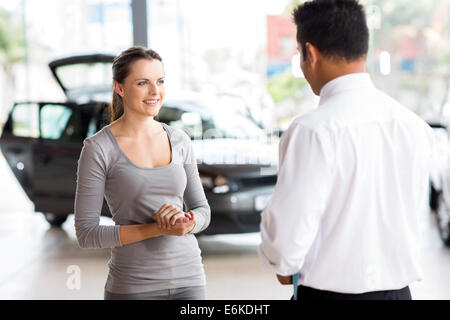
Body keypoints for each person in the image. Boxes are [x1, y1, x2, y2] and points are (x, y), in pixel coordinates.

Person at [258, 0, 436, 300]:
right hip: (399, 293)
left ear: (310, 54)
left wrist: (282, 262)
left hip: (330, 295)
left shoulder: (312, 130)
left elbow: (286, 242)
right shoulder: (413, 125)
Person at [74, 46, 211, 300]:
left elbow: (203, 210)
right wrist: (158, 228)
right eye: (142, 83)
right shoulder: (98, 148)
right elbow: (86, 233)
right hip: (133, 286)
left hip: (189, 280)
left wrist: (188, 222)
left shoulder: (179, 140)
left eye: (160, 81)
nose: (155, 91)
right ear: (120, 88)